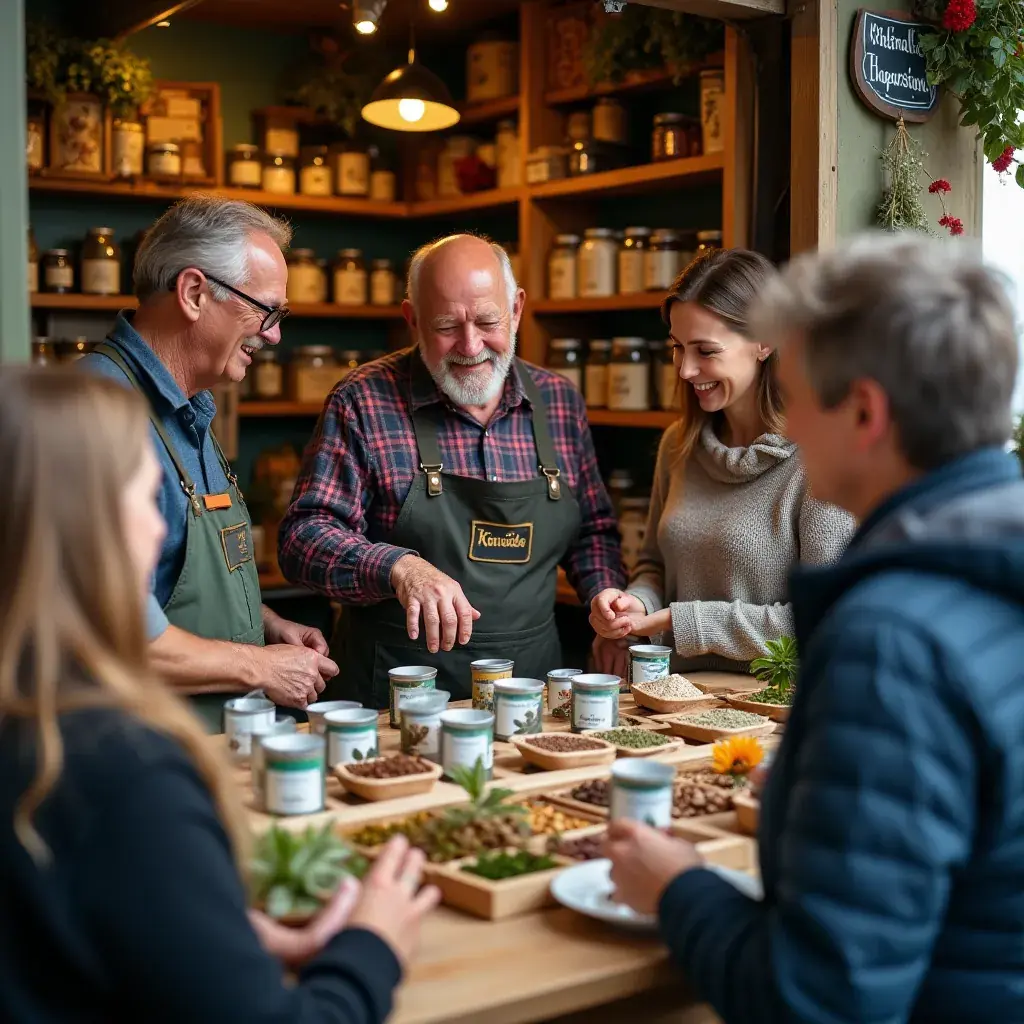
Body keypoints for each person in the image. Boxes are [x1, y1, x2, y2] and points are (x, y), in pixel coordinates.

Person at [605, 234, 1024, 1021]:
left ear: (864, 412)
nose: (789, 429)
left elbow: (818, 998)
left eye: (799, 398)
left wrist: (676, 886)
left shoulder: (892, 641)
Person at [0, 368, 440, 1022]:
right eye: (145, 497)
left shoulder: (28, 722)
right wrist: (372, 944)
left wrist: (211, 936)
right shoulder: (123, 773)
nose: (159, 530)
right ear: (89, 526)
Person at [279, 233, 625, 705]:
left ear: (517, 309)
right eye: (446, 325)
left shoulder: (559, 401)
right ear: (412, 319)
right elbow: (303, 538)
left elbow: (593, 532)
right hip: (397, 697)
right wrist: (400, 567)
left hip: (533, 694)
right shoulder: (362, 400)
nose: (470, 344)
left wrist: (606, 595)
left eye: (488, 321)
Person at [80, 196, 338, 729]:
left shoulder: (190, 406)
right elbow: (113, 631)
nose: (274, 334)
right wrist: (259, 666)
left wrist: (261, 625)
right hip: (140, 747)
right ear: (194, 293)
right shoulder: (97, 415)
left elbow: (165, 581)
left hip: (209, 744)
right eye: (266, 310)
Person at [588, 248, 853, 680]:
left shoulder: (822, 458)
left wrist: (683, 621)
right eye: (677, 348)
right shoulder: (678, 445)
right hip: (674, 699)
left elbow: (826, 616)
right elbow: (655, 565)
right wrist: (634, 603)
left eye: (706, 351)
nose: (685, 370)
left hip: (771, 706)